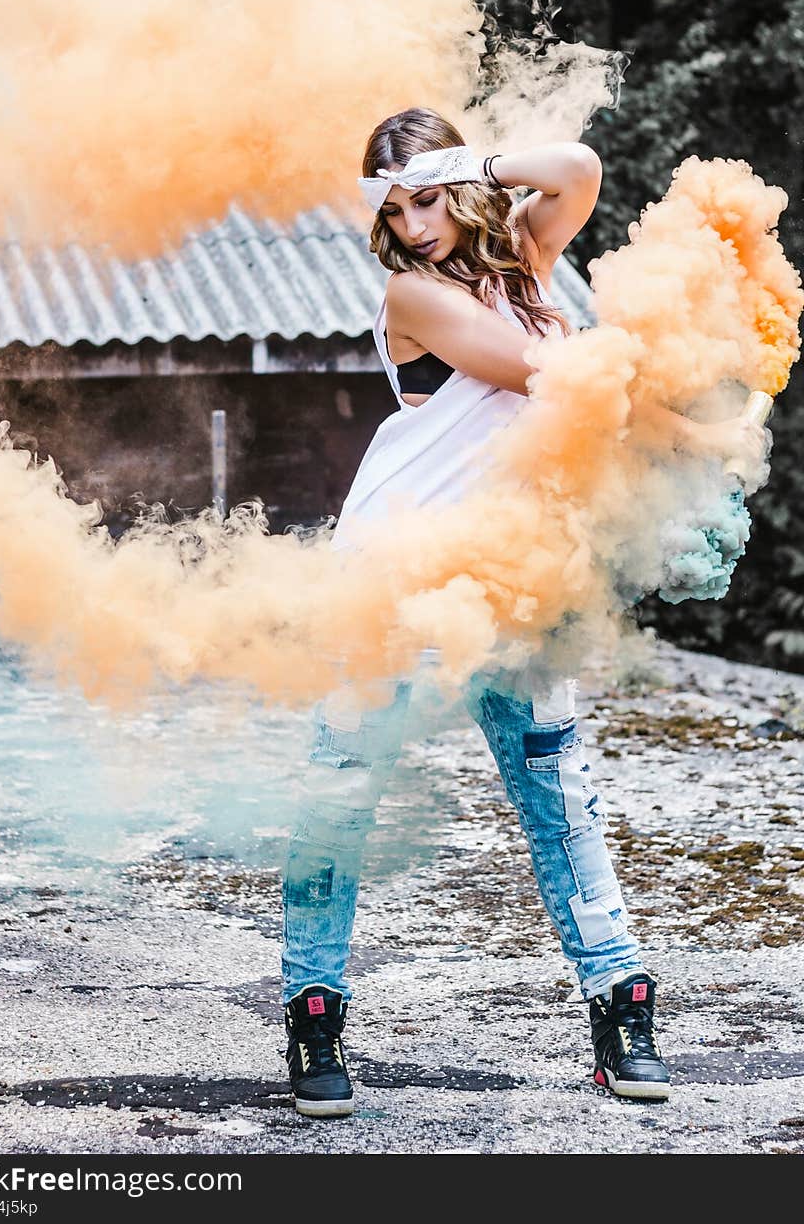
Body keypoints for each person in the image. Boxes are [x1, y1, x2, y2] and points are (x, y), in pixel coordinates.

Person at [279, 107, 763, 1119]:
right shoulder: (410, 294)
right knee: (344, 797)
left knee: (560, 798)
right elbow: (550, 374)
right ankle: (313, 1010)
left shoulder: (526, 258)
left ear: (457, 180)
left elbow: (579, 167)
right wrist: (688, 432)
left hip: (520, 577)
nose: (412, 222)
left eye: (426, 194)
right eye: (391, 204)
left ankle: (621, 1007)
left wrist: (474, 166)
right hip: (401, 574)